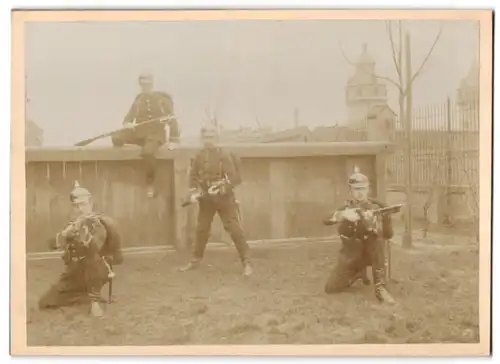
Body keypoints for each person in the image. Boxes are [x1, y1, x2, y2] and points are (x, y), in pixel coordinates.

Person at [37, 181, 124, 317]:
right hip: (75, 272)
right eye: (75, 206)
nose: (79, 209)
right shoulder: (74, 223)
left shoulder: (99, 223)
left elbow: (95, 249)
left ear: (91, 204)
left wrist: (83, 236)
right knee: (46, 302)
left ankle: (94, 301)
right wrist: (66, 234)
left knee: (91, 259)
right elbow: (53, 245)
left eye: (82, 204)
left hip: (98, 269)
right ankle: (84, 296)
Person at [179, 125, 253, 276]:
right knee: (201, 229)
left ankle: (247, 262)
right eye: (206, 137)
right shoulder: (199, 156)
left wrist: (222, 187)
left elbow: (233, 177)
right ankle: (195, 260)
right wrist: (195, 192)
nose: (209, 140)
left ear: (217, 138)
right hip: (206, 199)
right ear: (202, 139)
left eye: (212, 137)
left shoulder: (224, 155)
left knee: (234, 229)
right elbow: (193, 178)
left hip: (224, 199)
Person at [322, 166, 396, 304]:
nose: (360, 193)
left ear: (368, 189)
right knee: (331, 288)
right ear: (350, 191)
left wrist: (377, 223)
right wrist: (343, 215)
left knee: (376, 239)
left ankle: (380, 287)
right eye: (356, 189)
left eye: (363, 188)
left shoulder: (379, 206)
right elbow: (325, 219)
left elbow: (389, 234)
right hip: (351, 257)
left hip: (372, 255)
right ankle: (356, 274)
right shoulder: (345, 208)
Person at [111, 72, 181, 198]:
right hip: (139, 133)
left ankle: (150, 183)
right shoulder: (139, 100)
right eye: (143, 84)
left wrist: (174, 140)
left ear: (152, 84)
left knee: (148, 153)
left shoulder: (162, 100)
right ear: (140, 85)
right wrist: (127, 124)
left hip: (156, 135)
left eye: (147, 84)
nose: (145, 87)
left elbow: (172, 119)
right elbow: (128, 118)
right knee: (116, 138)